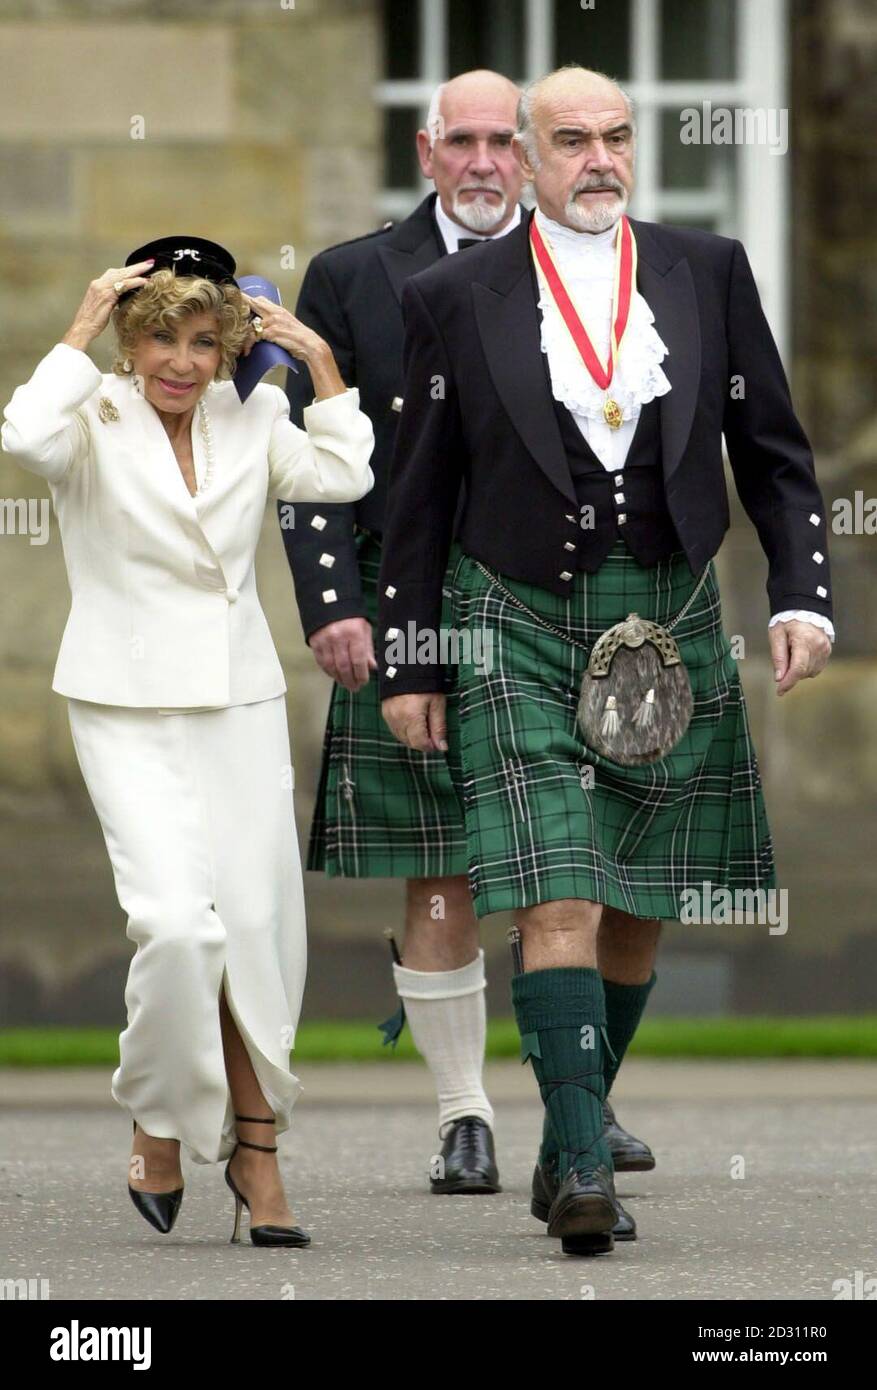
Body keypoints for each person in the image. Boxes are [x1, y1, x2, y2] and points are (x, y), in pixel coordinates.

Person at [377, 66, 834, 1255]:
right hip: (512, 613)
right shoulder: (454, 294)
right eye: (570, 139)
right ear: (524, 161)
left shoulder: (706, 271)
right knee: (557, 887)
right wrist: (411, 659)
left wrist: (803, 597)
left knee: (637, 900)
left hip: (668, 610)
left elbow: (774, 452)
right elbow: (417, 491)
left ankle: (566, 1122)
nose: (599, 158)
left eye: (616, 136)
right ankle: (582, 1162)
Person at [1, 235, 374, 1246]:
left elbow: (341, 475)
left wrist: (321, 366)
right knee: (177, 926)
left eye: (203, 342)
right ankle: (160, 1115)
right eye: (160, 336)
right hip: (123, 707)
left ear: (225, 350)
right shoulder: (88, 411)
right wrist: (80, 325)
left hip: (238, 705)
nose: (180, 361)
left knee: (253, 931)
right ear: (131, 337)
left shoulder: (249, 413)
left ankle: (258, 1156)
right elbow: (21, 433)